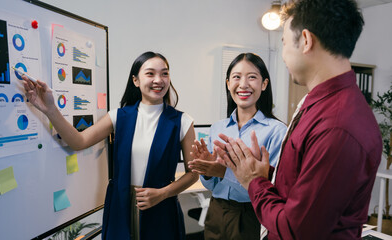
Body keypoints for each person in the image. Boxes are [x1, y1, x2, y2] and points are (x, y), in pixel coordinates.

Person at [215, 0, 383, 239]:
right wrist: (265, 173)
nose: (283, 55)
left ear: (305, 40)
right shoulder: (318, 104)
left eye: (283, 42)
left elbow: (297, 229)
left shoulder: (338, 125)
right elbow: (305, 184)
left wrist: (254, 182)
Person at [22, 51, 198, 240]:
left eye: (164, 73)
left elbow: (193, 173)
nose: (159, 80)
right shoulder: (119, 117)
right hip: (120, 205)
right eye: (150, 73)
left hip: (161, 207)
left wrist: (163, 193)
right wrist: (50, 109)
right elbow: (78, 141)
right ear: (136, 80)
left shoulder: (182, 121)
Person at [188, 53, 287, 240]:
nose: (243, 84)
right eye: (236, 77)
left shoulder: (277, 131)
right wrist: (208, 171)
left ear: (264, 84)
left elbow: (274, 188)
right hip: (216, 211)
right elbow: (211, 185)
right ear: (227, 83)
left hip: (253, 215)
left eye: (252, 77)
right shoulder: (218, 127)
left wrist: (223, 172)